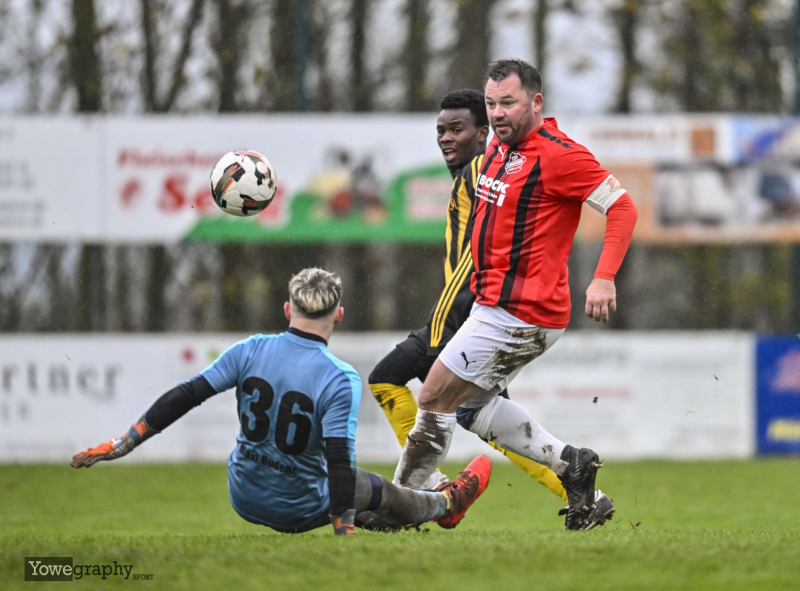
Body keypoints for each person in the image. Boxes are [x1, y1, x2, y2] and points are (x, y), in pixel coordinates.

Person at [392, 59, 638, 531]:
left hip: (522, 311)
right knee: (468, 409)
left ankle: (399, 505)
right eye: (491, 103)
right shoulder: (500, 150)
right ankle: (573, 466)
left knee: (434, 395)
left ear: (536, 103)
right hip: (496, 307)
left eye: (508, 102)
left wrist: (605, 276)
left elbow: (622, 207)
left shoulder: (560, 154)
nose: (498, 113)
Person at [71, 268, 492, 535]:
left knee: (355, 494)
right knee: (376, 489)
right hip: (299, 508)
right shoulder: (339, 376)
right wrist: (343, 529)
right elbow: (339, 464)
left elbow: (184, 396)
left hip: (243, 496)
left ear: (287, 308)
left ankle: (384, 523)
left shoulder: (249, 349)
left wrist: (122, 443)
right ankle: (446, 504)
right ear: (339, 314)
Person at [368, 89, 575, 507]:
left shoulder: (480, 173)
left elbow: (474, 261)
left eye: (457, 129)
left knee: (401, 384)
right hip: (476, 314)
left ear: (484, 134)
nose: (446, 138)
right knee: (488, 420)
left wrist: (442, 329)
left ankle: (421, 490)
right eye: (441, 130)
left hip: (467, 317)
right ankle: (581, 489)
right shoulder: (481, 173)